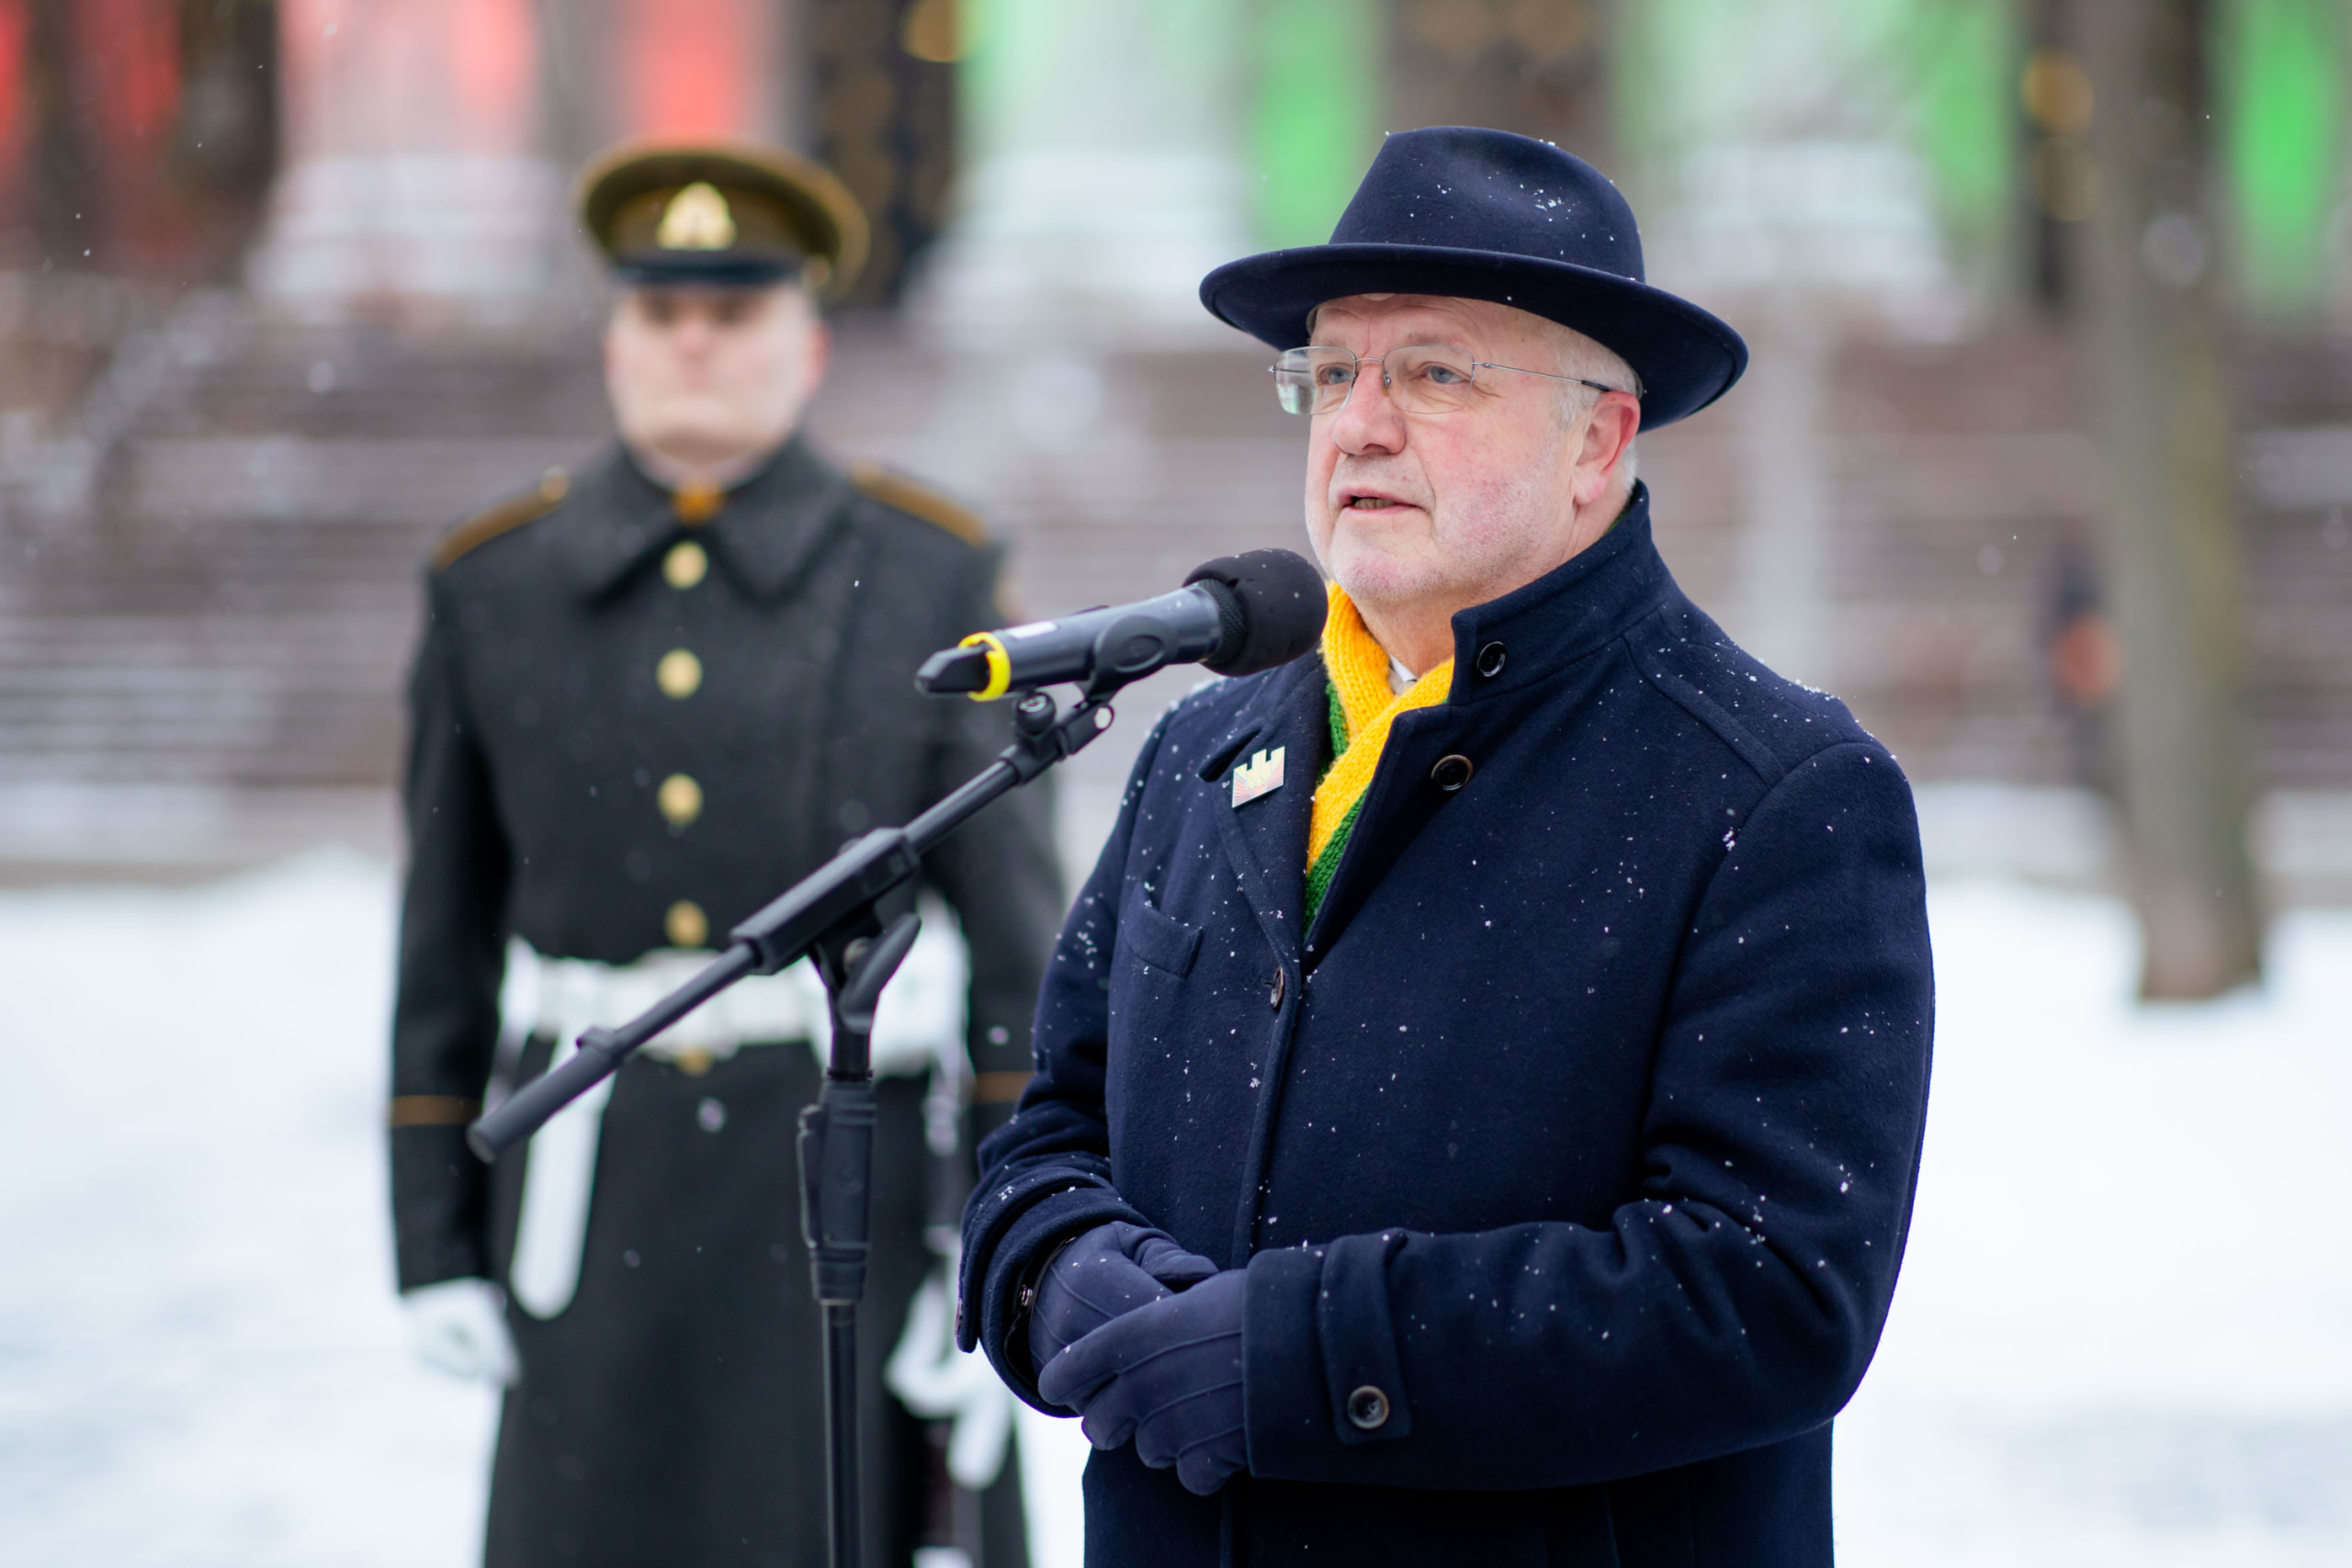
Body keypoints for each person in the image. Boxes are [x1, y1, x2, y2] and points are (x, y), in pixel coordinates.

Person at [958, 126, 1935, 1566]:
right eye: (1332, 372)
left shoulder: (1778, 790)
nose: (1358, 421)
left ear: (1599, 437)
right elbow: (1050, 1130)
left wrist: (1309, 1358)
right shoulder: (1203, 748)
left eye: (1435, 372)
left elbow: (1769, 1290)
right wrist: (1060, 1275)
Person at [387, 142, 1061, 1568]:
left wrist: (1000, 1245)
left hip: (846, 1189)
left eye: (734, 312)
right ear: (616, 342)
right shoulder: (492, 584)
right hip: (592, 1179)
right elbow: (442, 932)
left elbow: (1019, 945)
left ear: (807, 345)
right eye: (660, 311)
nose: (694, 343)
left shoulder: (926, 570)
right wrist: (431, 1232)